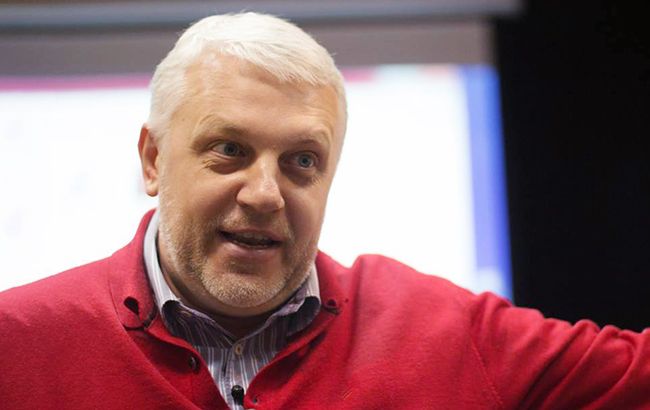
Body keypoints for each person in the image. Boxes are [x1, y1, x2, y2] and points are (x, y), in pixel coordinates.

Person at [0, 12, 649, 410]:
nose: (265, 193)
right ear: (151, 159)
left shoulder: (446, 333)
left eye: (302, 160)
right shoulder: (17, 345)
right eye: (230, 150)